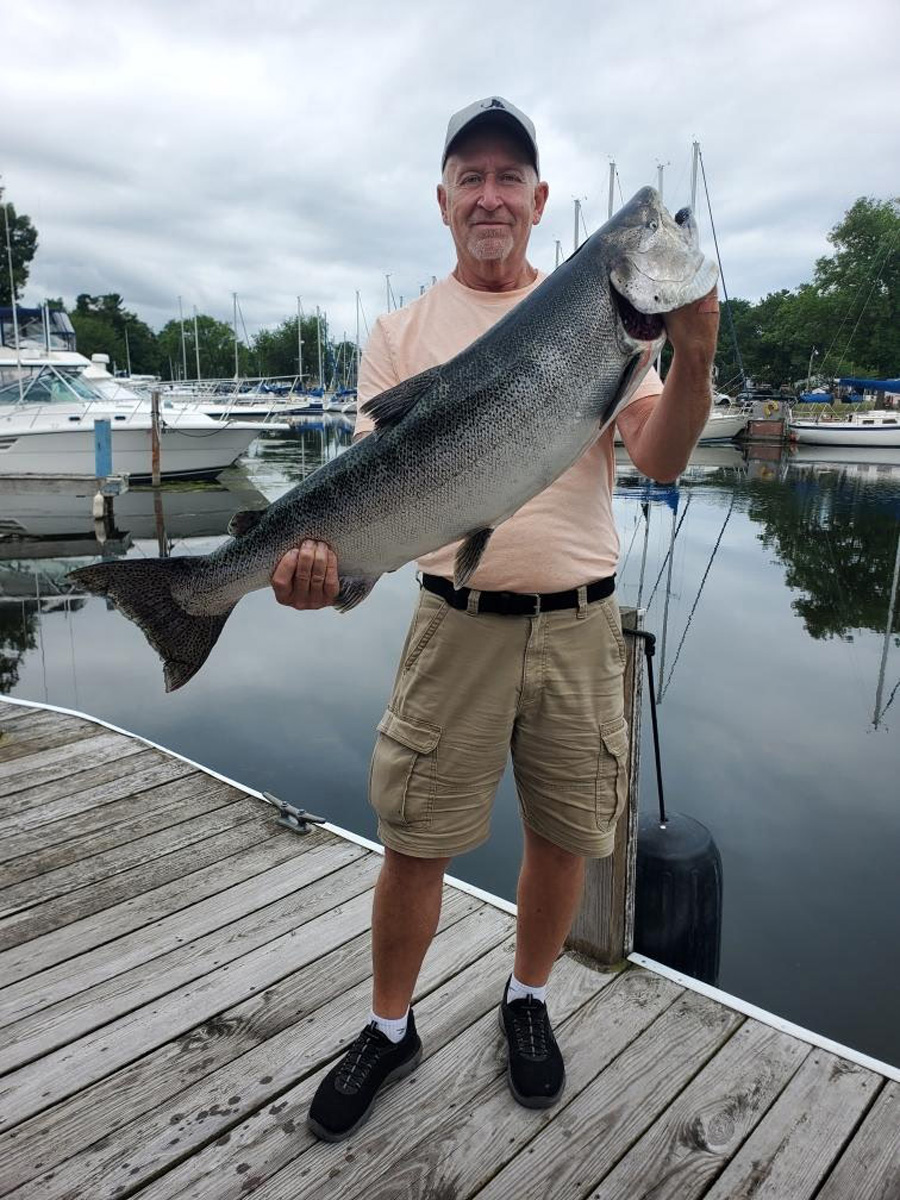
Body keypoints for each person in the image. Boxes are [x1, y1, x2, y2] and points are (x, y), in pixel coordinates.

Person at [271, 96, 719, 1143]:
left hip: (580, 623)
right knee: (414, 840)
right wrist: (317, 571)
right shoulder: (399, 334)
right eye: (469, 176)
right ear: (443, 201)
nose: (489, 195)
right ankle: (389, 1026)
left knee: (565, 836)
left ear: (540, 201)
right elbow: (372, 492)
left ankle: (530, 998)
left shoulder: (609, 319)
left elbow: (657, 459)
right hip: (452, 620)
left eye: (508, 177)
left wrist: (693, 356)